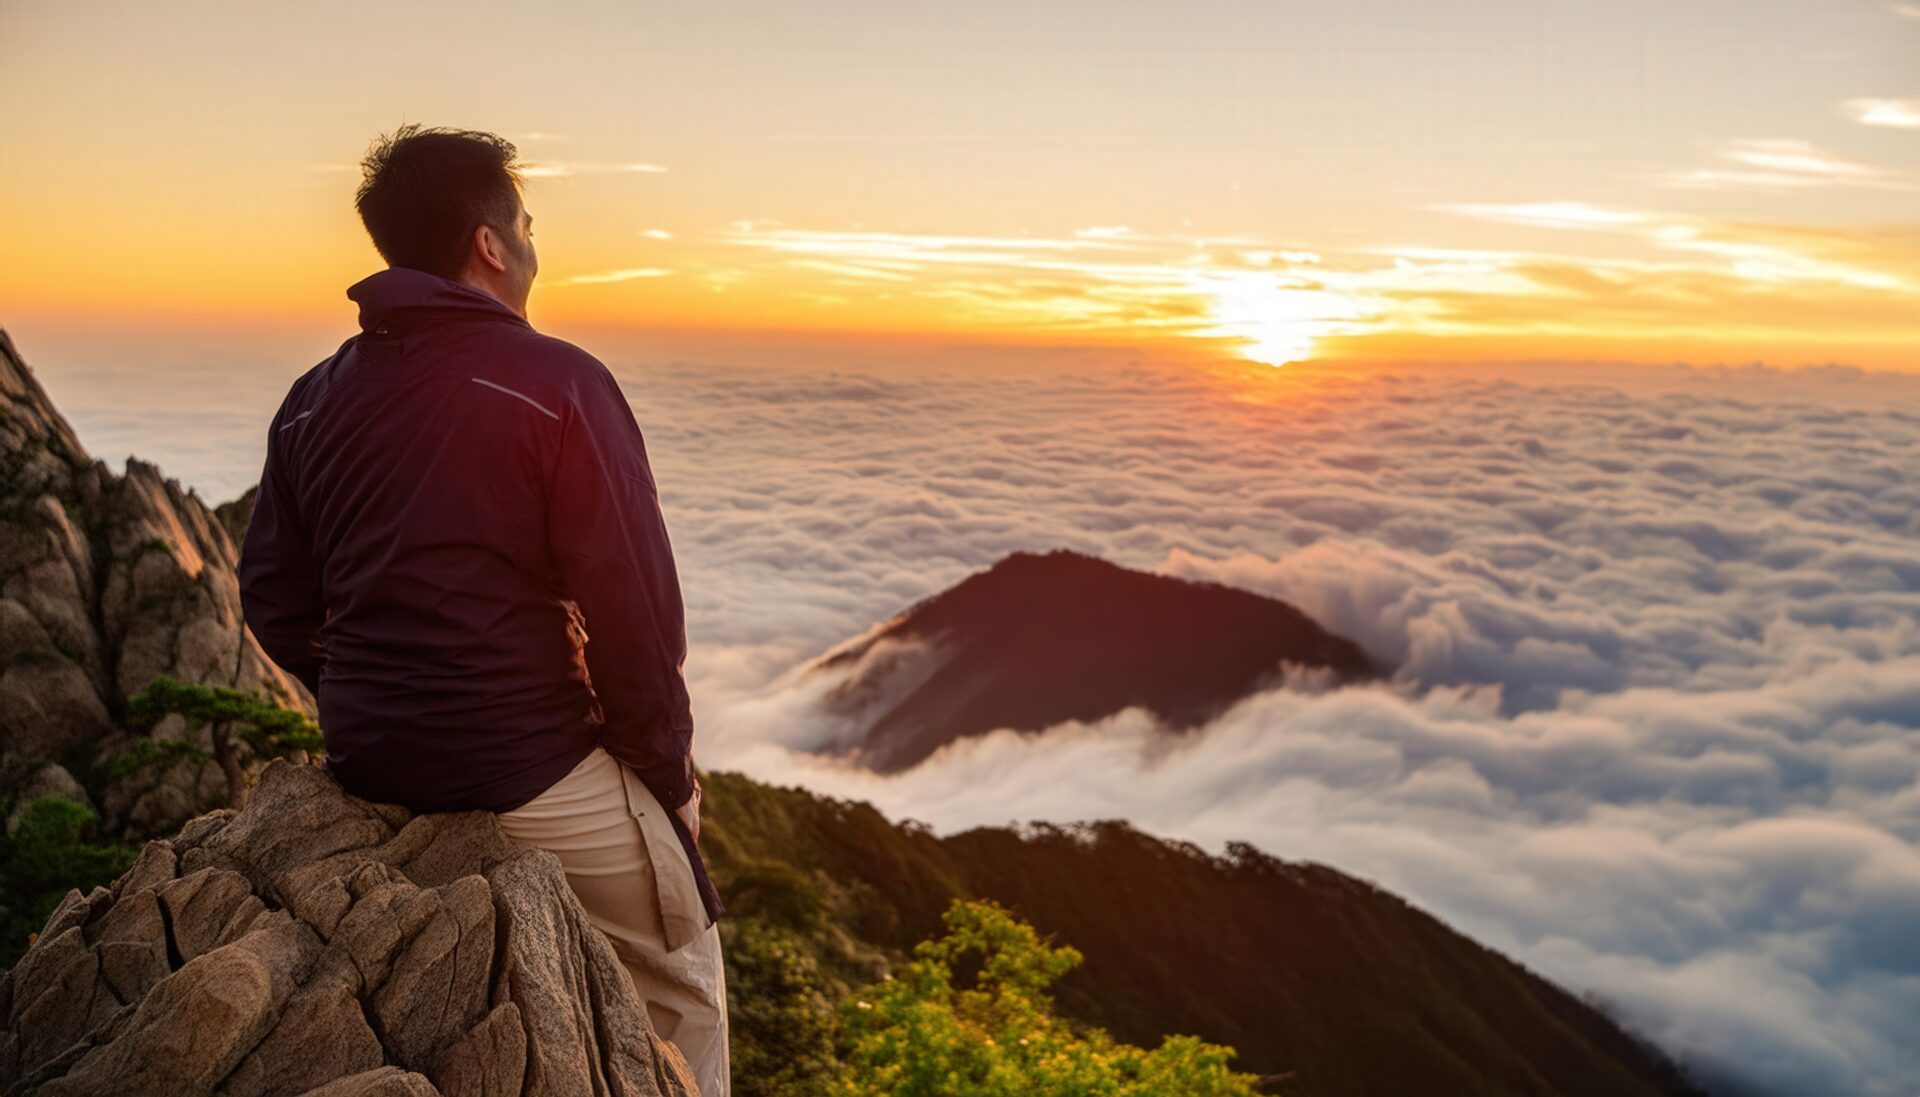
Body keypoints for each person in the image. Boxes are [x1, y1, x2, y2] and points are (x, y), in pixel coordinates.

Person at [236, 123, 729, 1096]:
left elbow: (274, 601)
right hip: (525, 760)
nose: (535, 245)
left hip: (369, 752)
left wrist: (374, 688)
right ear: (492, 244)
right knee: (685, 977)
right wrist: (671, 785)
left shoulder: (312, 399)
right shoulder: (559, 382)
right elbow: (632, 613)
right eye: (528, 224)